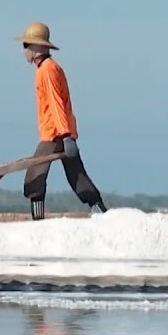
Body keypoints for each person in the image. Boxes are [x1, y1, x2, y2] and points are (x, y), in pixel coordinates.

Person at [15, 22, 108, 221]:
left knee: (35, 176)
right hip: (59, 131)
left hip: (55, 134)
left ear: (37, 49)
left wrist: (66, 136)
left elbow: (57, 104)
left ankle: (37, 221)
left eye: (26, 46)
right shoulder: (49, 68)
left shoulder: (47, 71)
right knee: (76, 175)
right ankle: (101, 211)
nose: (24, 51)